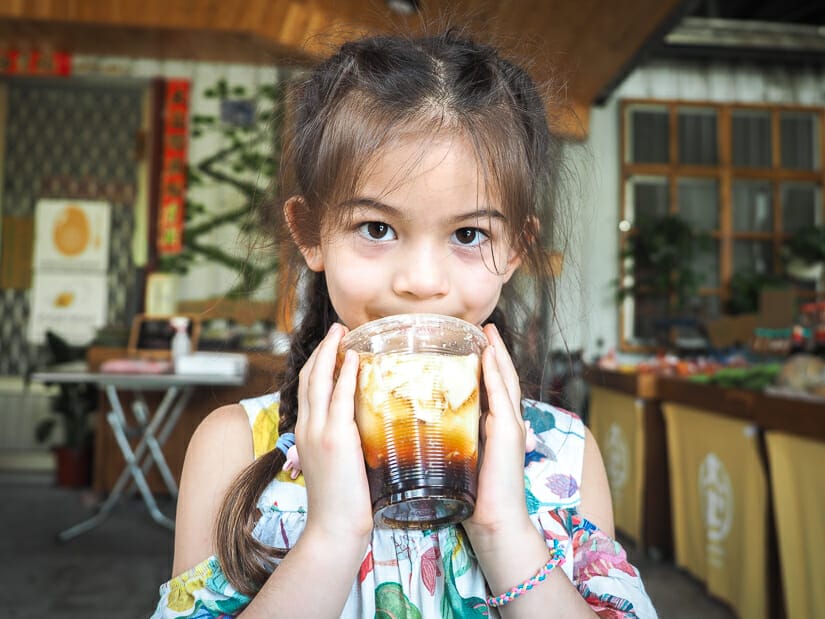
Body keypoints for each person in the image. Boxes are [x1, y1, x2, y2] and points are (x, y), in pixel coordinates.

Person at [152, 28, 657, 618]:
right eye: (376, 228)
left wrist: (502, 530)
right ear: (310, 233)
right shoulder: (235, 447)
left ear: (517, 249)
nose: (421, 280)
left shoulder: (565, 455)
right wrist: (332, 534)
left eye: (469, 235)